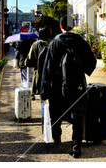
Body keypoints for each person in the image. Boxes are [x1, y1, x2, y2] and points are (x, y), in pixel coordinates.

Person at [40, 15, 96, 158]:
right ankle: (76, 146)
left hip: (57, 86)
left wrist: (44, 91)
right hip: (77, 85)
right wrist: (82, 69)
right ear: (74, 26)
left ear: (61, 26)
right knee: (78, 116)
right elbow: (92, 62)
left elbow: (48, 68)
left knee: (56, 114)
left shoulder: (54, 43)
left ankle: (57, 139)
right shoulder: (81, 42)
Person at [25, 26, 52, 100]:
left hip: (39, 75)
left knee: (42, 97)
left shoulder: (35, 44)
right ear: (49, 34)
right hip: (51, 76)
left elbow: (28, 61)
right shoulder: (52, 44)